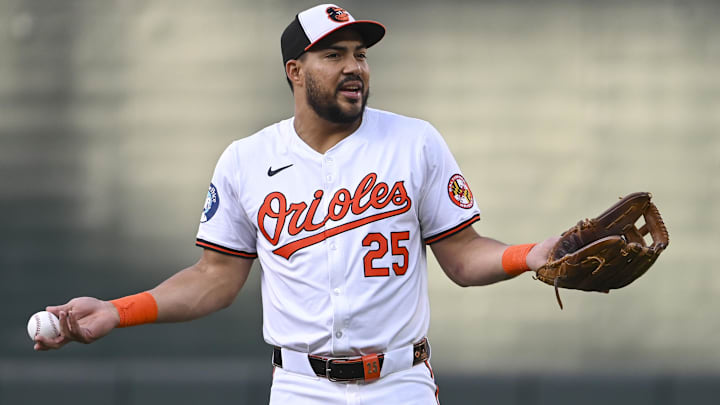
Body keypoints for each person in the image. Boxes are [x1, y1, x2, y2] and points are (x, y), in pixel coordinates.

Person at [34, 4, 559, 404]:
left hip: (400, 383)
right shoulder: (247, 159)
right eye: (333, 55)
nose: (354, 67)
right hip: (301, 388)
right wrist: (116, 311)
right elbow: (214, 279)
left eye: (360, 54)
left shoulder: (414, 142)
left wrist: (529, 255)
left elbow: (464, 258)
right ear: (295, 70)